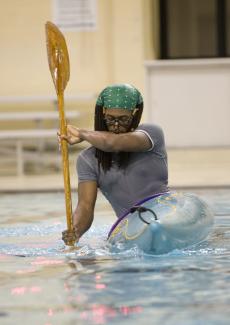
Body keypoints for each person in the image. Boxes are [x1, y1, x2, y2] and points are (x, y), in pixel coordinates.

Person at [61, 83, 168, 245]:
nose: (116, 125)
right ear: (102, 114)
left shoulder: (151, 135)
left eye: (123, 119)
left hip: (167, 214)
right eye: (110, 119)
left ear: (135, 115)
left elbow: (114, 143)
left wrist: (82, 133)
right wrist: (75, 230)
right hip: (132, 225)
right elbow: (85, 206)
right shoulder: (88, 159)